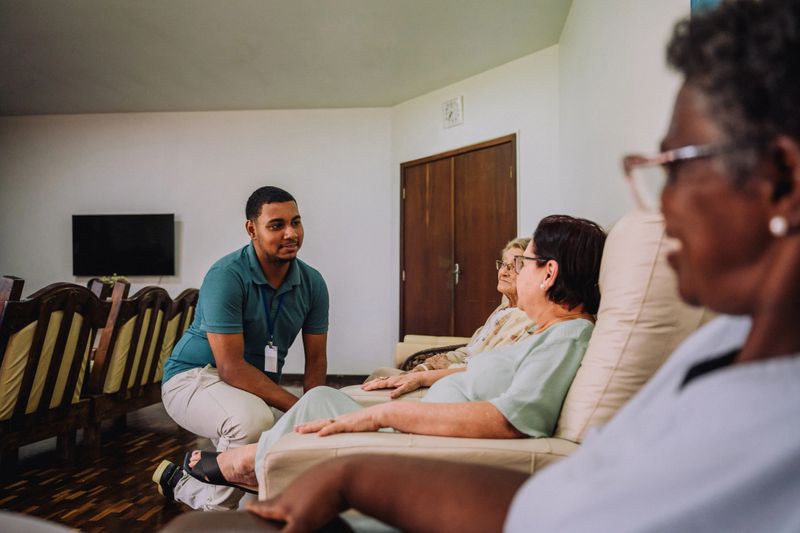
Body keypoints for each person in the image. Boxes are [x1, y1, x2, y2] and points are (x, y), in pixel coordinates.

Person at [239, 1, 800, 531]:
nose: (662, 204)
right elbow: (572, 492)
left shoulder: (769, 419)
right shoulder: (721, 346)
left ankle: (237, 469)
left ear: (781, 178)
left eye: (677, 167)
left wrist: (373, 430)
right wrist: (350, 470)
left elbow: (548, 487)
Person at [173, 214, 606, 497]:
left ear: (549, 273)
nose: (513, 271)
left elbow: (508, 423)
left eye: (524, 262)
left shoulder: (567, 338)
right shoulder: (544, 333)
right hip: (420, 433)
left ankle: (246, 464)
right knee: (318, 400)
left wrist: (382, 416)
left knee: (323, 409)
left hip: (426, 447)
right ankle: (253, 466)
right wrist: (415, 385)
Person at [153, 186, 329, 511]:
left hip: (250, 388)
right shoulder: (226, 276)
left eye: (296, 222)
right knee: (252, 423)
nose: (291, 233)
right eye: (277, 225)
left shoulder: (313, 283)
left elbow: (316, 362)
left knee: (289, 439)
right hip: (193, 378)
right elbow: (230, 367)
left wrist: (315, 412)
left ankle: (188, 485)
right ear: (252, 229)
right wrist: (299, 409)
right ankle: (215, 519)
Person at [362, 237, 535, 399]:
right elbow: (469, 350)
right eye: (503, 265)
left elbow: (488, 370)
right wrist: (424, 367)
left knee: (378, 382)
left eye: (513, 267)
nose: (504, 272)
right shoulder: (503, 309)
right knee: (379, 374)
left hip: (463, 386)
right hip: (450, 375)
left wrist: (425, 376)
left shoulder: (529, 317)